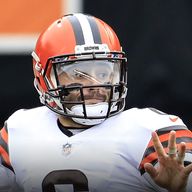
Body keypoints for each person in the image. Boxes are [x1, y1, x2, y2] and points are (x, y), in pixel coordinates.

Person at [0, 13, 192, 192]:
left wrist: (181, 188)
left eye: (102, 73)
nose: (94, 84)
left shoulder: (153, 131)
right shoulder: (18, 131)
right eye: (78, 74)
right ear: (43, 77)